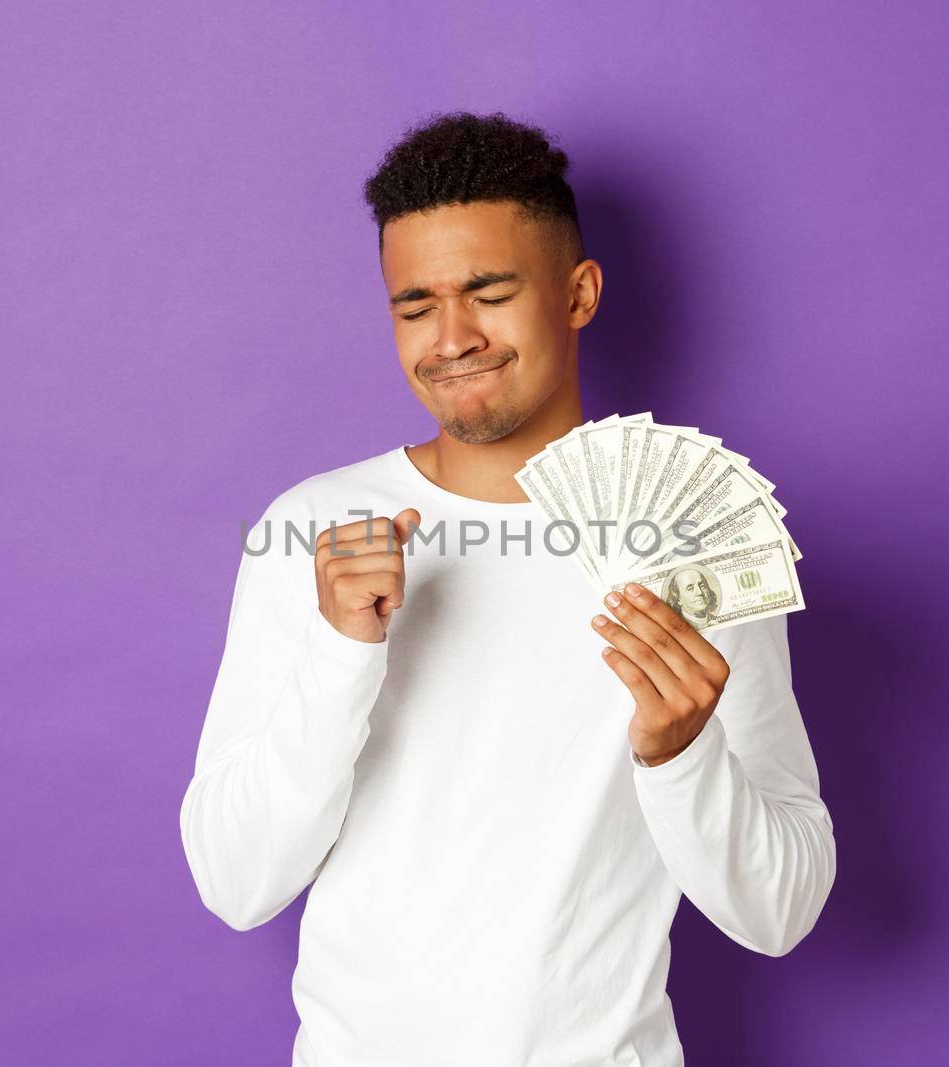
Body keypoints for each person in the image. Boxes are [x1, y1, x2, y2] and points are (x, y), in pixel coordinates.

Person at [179, 110, 835, 1067]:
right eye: (414, 306)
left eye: (488, 291)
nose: (452, 338)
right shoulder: (314, 529)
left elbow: (781, 911)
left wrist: (680, 754)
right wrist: (340, 653)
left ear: (578, 293)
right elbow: (237, 883)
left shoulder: (690, 538)